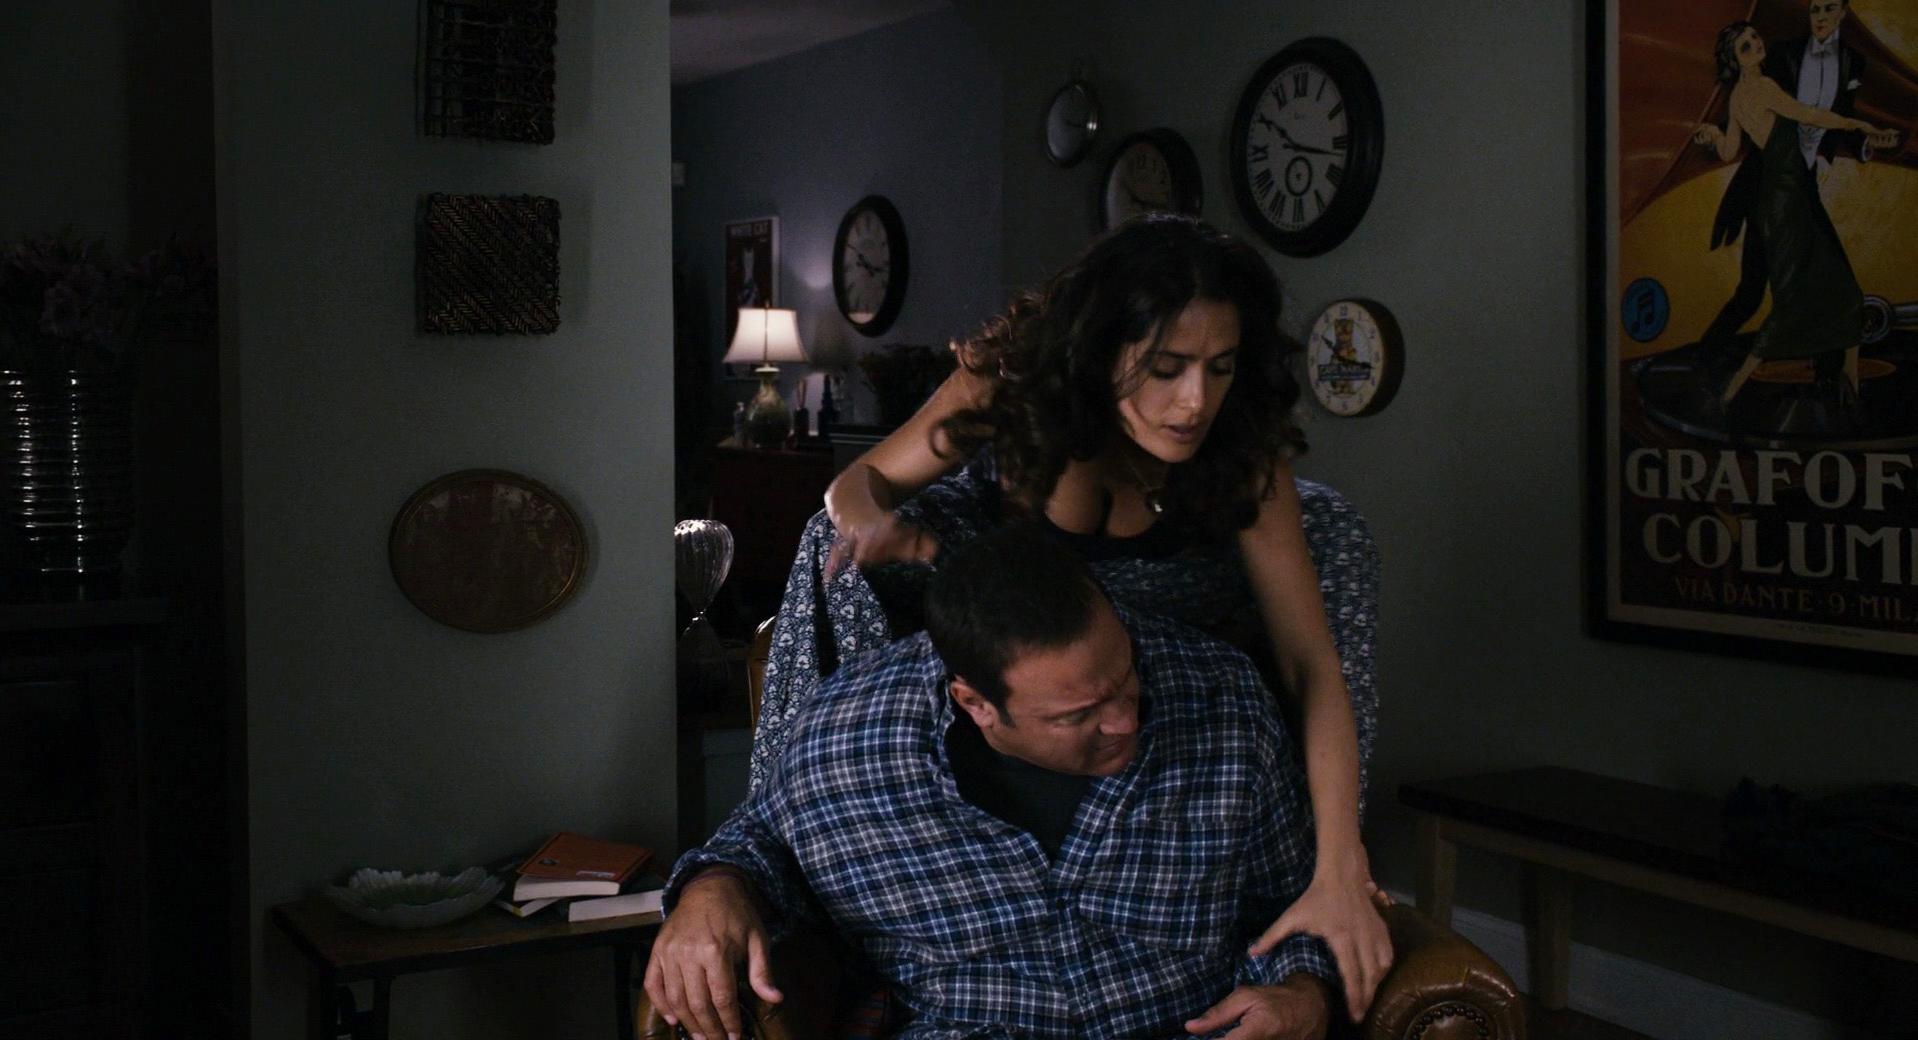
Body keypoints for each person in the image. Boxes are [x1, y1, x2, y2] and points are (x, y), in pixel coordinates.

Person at [752, 214, 1392, 1019]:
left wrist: (1342, 863)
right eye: (1165, 368)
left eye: (1220, 367)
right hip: (1007, 587)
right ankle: (806, 853)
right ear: (1099, 348)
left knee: (1334, 532)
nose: (1194, 401)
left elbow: (1310, 662)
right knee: (830, 548)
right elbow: (855, 487)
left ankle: (1300, 858)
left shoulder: (1242, 446)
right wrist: (870, 523)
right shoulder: (1016, 378)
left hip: (1182, 635)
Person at [646, 527, 1351, 1040]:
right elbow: (759, 842)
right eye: (1078, 714)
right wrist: (712, 889)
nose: (1124, 721)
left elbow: (1298, 896)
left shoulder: (1223, 698)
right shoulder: (846, 738)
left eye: (1126, 678)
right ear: (976, 704)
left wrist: (1304, 993)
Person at [1693, 15, 1894, 421]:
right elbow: (1809, 114)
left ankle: (1848, 385)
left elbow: (1729, 150)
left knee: (1840, 292)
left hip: (1782, 199)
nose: (1755, 43)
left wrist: (1714, 135)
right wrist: (1856, 123)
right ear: (1736, 60)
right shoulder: (1763, 87)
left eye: (1754, 36)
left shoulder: (1736, 97)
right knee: (1801, 302)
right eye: (1745, 46)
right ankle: (1731, 392)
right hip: (1788, 202)